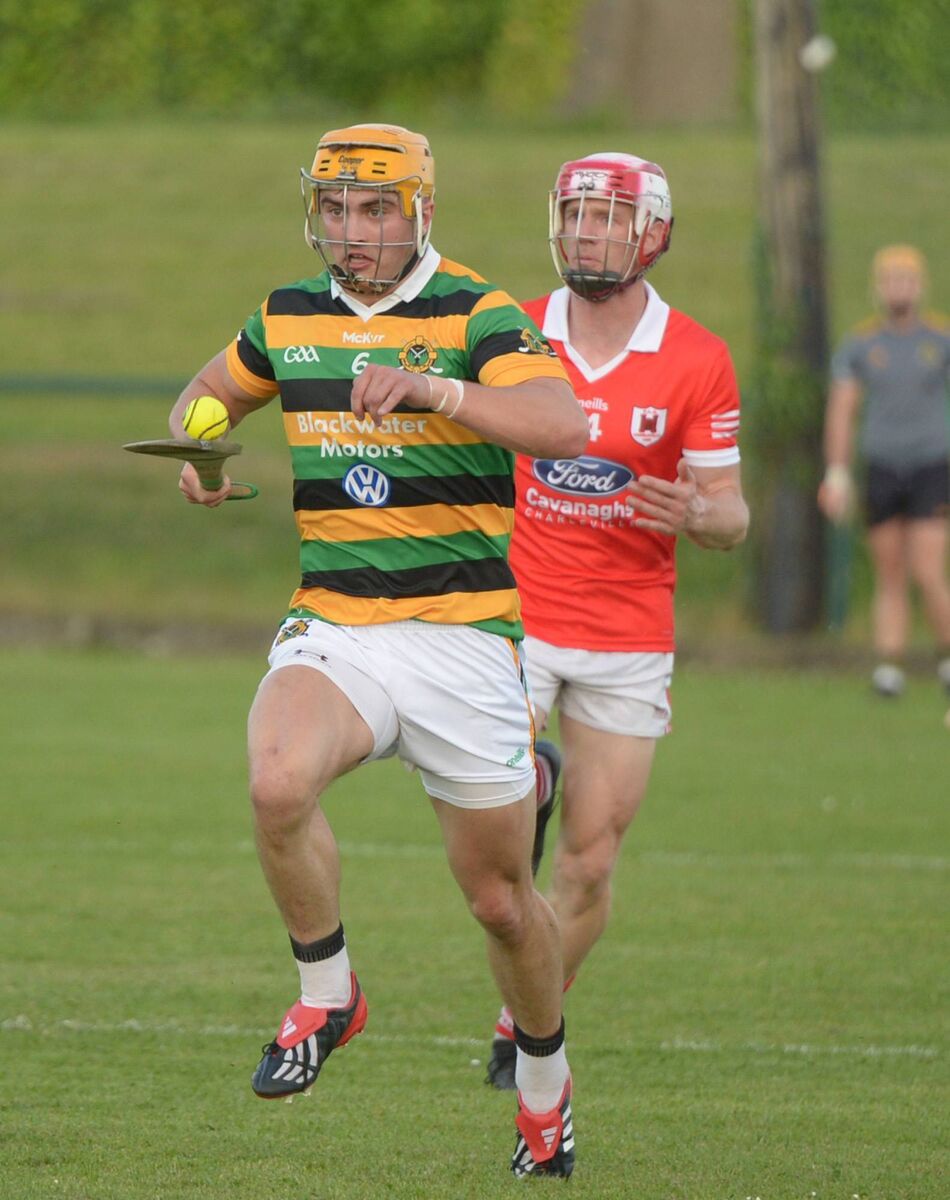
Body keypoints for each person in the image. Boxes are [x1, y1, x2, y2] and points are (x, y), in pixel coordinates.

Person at [168, 124, 590, 1179]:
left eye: (376, 210)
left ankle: (543, 1089)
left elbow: (559, 421)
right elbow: (204, 396)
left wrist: (439, 390)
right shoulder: (287, 315)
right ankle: (328, 994)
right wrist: (203, 449)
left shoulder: (475, 312)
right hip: (338, 623)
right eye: (335, 211)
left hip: (462, 639)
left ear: (421, 211)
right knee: (275, 782)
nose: (351, 234)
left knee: (499, 903)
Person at [483, 151, 749, 1088]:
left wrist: (701, 516)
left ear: (654, 235)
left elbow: (731, 512)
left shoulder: (699, 359)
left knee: (589, 868)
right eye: (576, 216)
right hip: (517, 614)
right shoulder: (510, 331)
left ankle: (527, 1021)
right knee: (493, 820)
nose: (587, 234)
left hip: (630, 632)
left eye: (607, 218)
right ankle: (535, 783)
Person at [818, 245, 950, 697]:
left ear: (920, 286)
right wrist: (837, 472)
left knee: (929, 570)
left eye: (906, 280)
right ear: (879, 288)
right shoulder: (862, 345)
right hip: (883, 466)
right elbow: (842, 410)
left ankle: (946, 654)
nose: (899, 288)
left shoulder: (940, 339)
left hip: (932, 463)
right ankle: (890, 665)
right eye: (891, 280)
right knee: (889, 570)